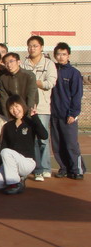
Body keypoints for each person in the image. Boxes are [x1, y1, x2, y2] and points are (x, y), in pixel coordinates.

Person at [0, 95, 48, 194]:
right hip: (11, 163)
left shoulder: (30, 123)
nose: (14, 110)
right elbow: (4, 145)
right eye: (11, 108)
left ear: (22, 105)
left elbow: (44, 136)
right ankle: (18, 181)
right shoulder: (7, 126)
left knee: (6, 152)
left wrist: (35, 117)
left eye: (16, 106)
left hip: (26, 162)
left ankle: (14, 184)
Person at [21, 35, 57, 181]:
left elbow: (50, 83)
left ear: (41, 47)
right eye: (30, 46)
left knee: (43, 138)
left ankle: (46, 167)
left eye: (35, 46)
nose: (32, 48)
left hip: (42, 107)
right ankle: (37, 168)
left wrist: (34, 82)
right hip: (27, 107)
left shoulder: (49, 64)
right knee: (32, 139)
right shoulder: (24, 64)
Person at [51, 42, 85, 180]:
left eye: (64, 54)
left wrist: (73, 113)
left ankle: (77, 170)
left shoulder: (74, 73)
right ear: (55, 55)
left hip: (68, 115)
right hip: (54, 114)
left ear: (68, 55)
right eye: (58, 54)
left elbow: (77, 95)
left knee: (71, 144)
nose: (61, 57)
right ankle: (64, 168)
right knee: (57, 144)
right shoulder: (52, 70)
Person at [0, 52, 37, 117]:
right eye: (6, 63)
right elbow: (4, 99)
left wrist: (29, 115)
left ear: (18, 62)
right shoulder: (3, 78)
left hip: (28, 111)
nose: (9, 65)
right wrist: (8, 117)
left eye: (11, 61)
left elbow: (32, 96)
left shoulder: (29, 75)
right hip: (13, 111)